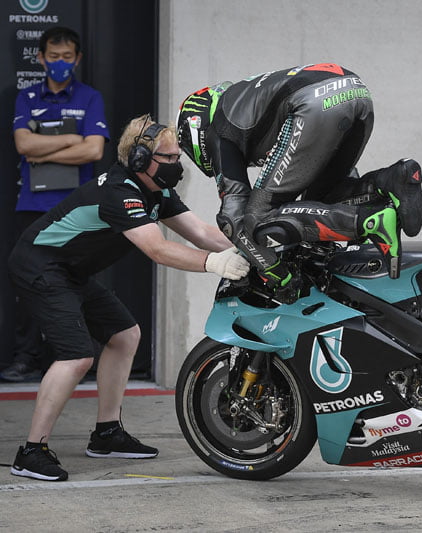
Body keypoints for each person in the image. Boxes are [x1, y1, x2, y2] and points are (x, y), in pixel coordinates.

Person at [7, 115, 250, 481]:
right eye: (168, 157)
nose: (176, 164)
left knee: (125, 335)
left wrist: (249, 251)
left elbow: (201, 232)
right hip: (39, 265)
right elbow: (157, 249)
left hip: (70, 270)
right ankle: (31, 452)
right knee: (76, 356)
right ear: (139, 159)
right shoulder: (120, 191)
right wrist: (215, 263)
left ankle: (107, 434)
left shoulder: (157, 191)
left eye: (177, 156)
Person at [175, 63, 422, 296]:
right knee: (321, 201)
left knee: (258, 220)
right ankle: (391, 179)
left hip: (312, 103)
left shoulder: (217, 130)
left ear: (193, 127)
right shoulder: (241, 101)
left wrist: (278, 275)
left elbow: (232, 218)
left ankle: (368, 222)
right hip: (354, 91)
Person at [2, 26, 109, 383]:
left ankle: (80, 356)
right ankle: (26, 358)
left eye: (66, 57)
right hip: (33, 206)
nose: (59, 63)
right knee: (31, 283)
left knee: (79, 281)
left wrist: (43, 148)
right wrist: (71, 139)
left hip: (78, 208)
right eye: (53, 56)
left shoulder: (90, 97)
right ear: (41, 58)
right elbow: (23, 145)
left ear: (77, 59)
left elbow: (94, 150)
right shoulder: (27, 97)